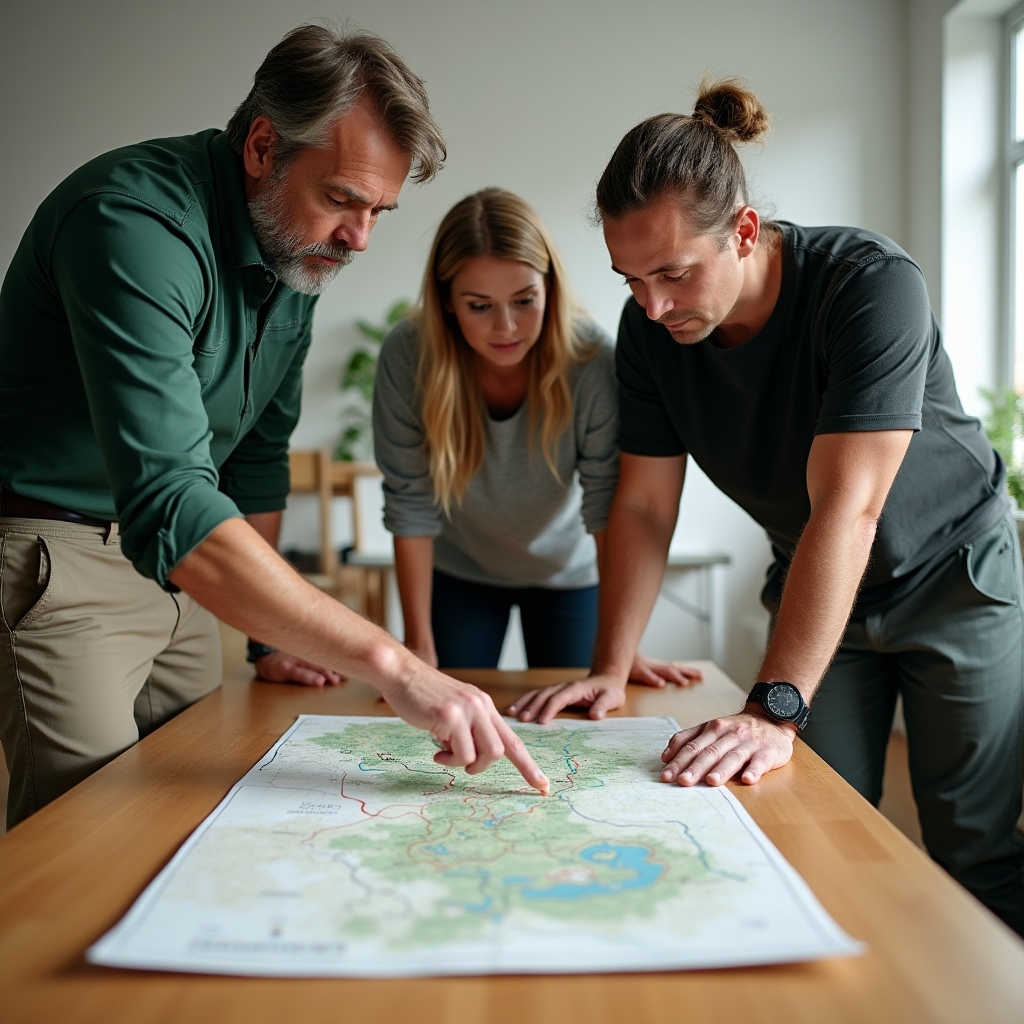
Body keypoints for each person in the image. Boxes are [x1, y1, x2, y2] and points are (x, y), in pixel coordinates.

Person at [0, 26, 547, 831]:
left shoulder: (296, 252)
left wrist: (267, 639)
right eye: (342, 199)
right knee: (90, 838)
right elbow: (173, 498)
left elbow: (253, 460)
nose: (360, 237)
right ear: (263, 146)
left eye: (379, 211)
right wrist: (393, 662)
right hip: (62, 556)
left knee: (201, 823)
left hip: (187, 576)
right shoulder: (130, 221)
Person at [508, 80, 1024, 934]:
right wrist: (612, 663)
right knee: (809, 826)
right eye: (630, 279)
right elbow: (640, 509)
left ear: (744, 231)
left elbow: (849, 510)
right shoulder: (650, 334)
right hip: (825, 592)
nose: (652, 306)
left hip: (953, 576)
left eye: (674, 272)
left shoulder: (870, 287)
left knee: (973, 850)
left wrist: (773, 706)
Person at [374, 188, 701, 684]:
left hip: (569, 575)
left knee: (576, 714)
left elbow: (605, 506)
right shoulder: (407, 356)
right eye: (479, 305)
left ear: (549, 288)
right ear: (446, 302)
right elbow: (409, 505)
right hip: (460, 572)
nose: (506, 326)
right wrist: (417, 645)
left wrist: (620, 649)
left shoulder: (591, 361)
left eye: (524, 300)